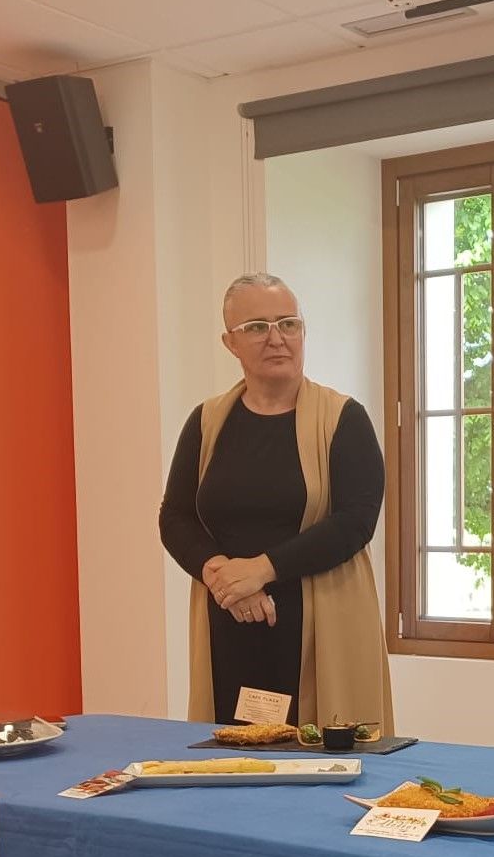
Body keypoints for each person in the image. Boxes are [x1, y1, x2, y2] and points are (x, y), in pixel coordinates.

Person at [159, 273, 393, 729]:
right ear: (230, 342)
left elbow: (355, 521)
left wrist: (260, 570)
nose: (276, 338)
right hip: (228, 623)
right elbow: (175, 516)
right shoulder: (206, 422)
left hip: (320, 624)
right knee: (231, 758)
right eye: (257, 327)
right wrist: (224, 578)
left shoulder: (343, 418)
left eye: (288, 324)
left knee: (320, 765)